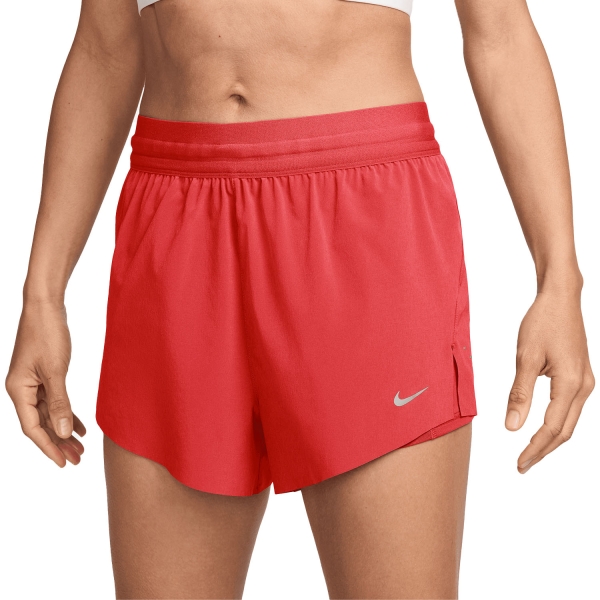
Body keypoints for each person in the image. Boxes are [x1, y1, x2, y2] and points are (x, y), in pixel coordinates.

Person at [5, 0, 595, 598]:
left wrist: (559, 279)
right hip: (175, 222)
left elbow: (500, 34)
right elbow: (105, 47)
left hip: (359, 218)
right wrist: (43, 294)